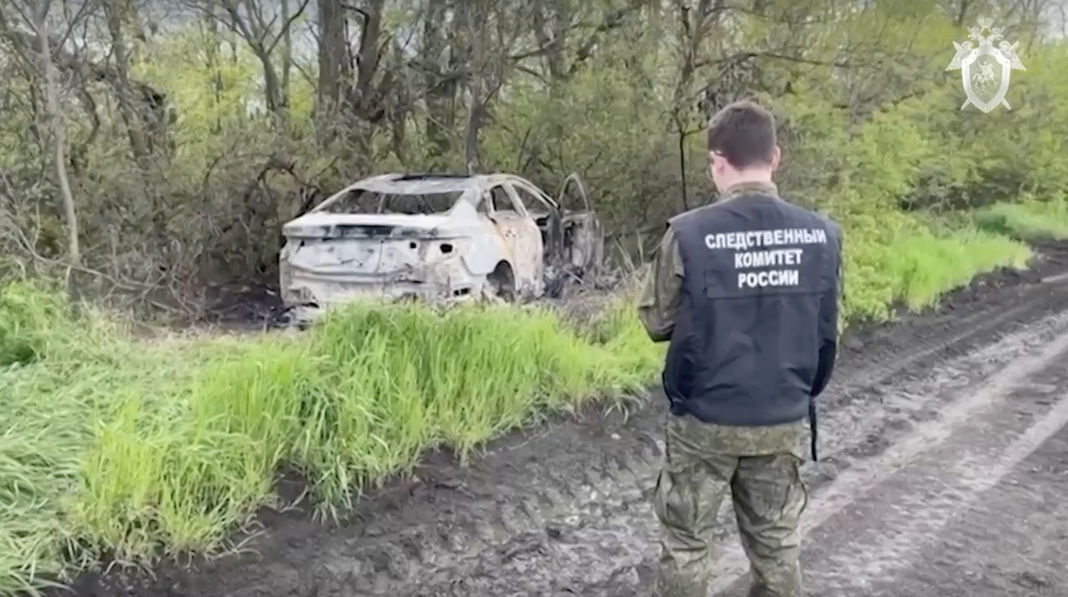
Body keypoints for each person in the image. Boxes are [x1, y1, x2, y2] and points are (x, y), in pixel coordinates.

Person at [637, 99, 842, 597]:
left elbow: (656, 323)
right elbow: (826, 333)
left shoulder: (687, 232)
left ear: (716, 162)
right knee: (776, 548)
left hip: (703, 421)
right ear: (776, 157)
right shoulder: (823, 235)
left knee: (686, 547)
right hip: (781, 417)